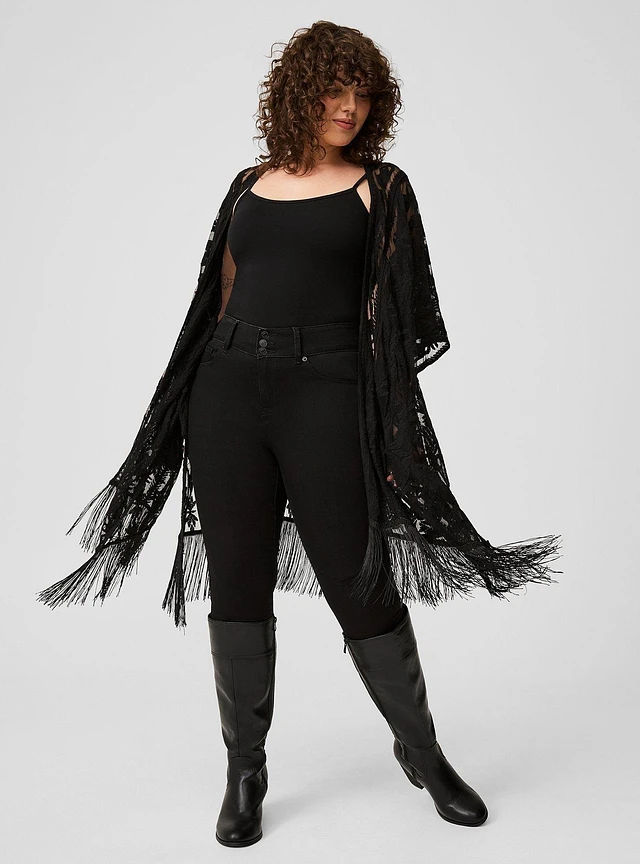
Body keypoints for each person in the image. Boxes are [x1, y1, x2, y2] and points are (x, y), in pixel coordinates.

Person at [37, 20, 562, 847]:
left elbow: (405, 322)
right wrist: (195, 392)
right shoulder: (248, 184)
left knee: (360, 584)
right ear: (298, 92)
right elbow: (220, 294)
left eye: (363, 94)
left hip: (327, 392)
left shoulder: (380, 189)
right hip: (226, 393)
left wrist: (385, 430)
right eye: (334, 90)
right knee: (237, 585)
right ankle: (245, 771)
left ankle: (422, 752)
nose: (349, 107)